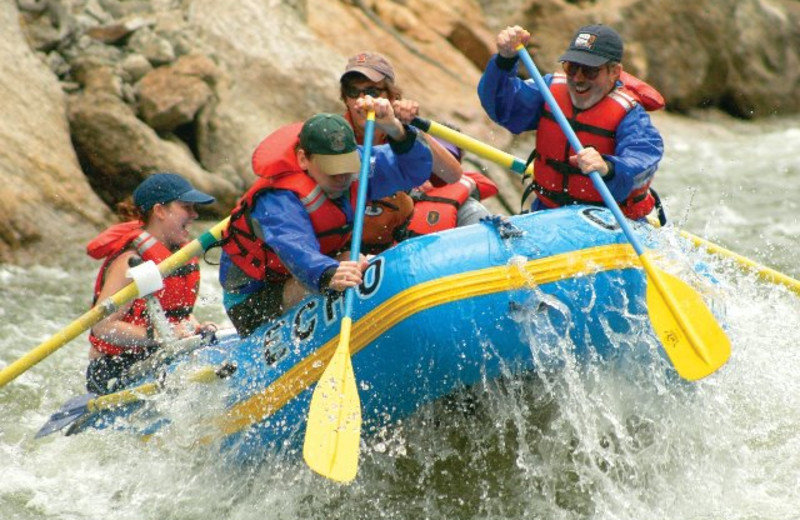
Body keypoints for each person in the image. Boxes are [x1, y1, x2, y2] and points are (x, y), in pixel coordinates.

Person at [218, 97, 433, 337]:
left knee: (356, 260)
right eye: (332, 168)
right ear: (303, 159)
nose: (342, 176)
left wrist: (395, 129)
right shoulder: (278, 199)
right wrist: (330, 273)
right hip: (253, 300)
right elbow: (296, 250)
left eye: (346, 165)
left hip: (310, 270)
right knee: (343, 266)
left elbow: (413, 170)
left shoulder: (357, 166)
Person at [478, 24, 664, 220]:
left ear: (614, 72)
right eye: (572, 67)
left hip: (611, 222)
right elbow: (503, 107)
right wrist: (504, 61)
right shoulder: (549, 91)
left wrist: (607, 168)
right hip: (547, 212)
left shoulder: (631, 116)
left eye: (590, 71)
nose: (578, 78)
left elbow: (643, 160)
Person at [339, 52, 495, 252]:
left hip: (402, 233)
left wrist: (407, 127)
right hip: (350, 244)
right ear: (345, 99)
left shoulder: (404, 128)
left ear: (391, 97)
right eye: (353, 91)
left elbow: (451, 175)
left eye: (372, 91)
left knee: (467, 207)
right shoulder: (336, 135)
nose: (362, 100)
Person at [86, 173, 218, 395]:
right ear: (160, 211)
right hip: (114, 371)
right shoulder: (130, 260)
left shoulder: (179, 256)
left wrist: (194, 327)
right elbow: (102, 327)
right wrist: (159, 335)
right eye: (187, 207)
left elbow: (175, 314)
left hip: (158, 356)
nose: (195, 215)